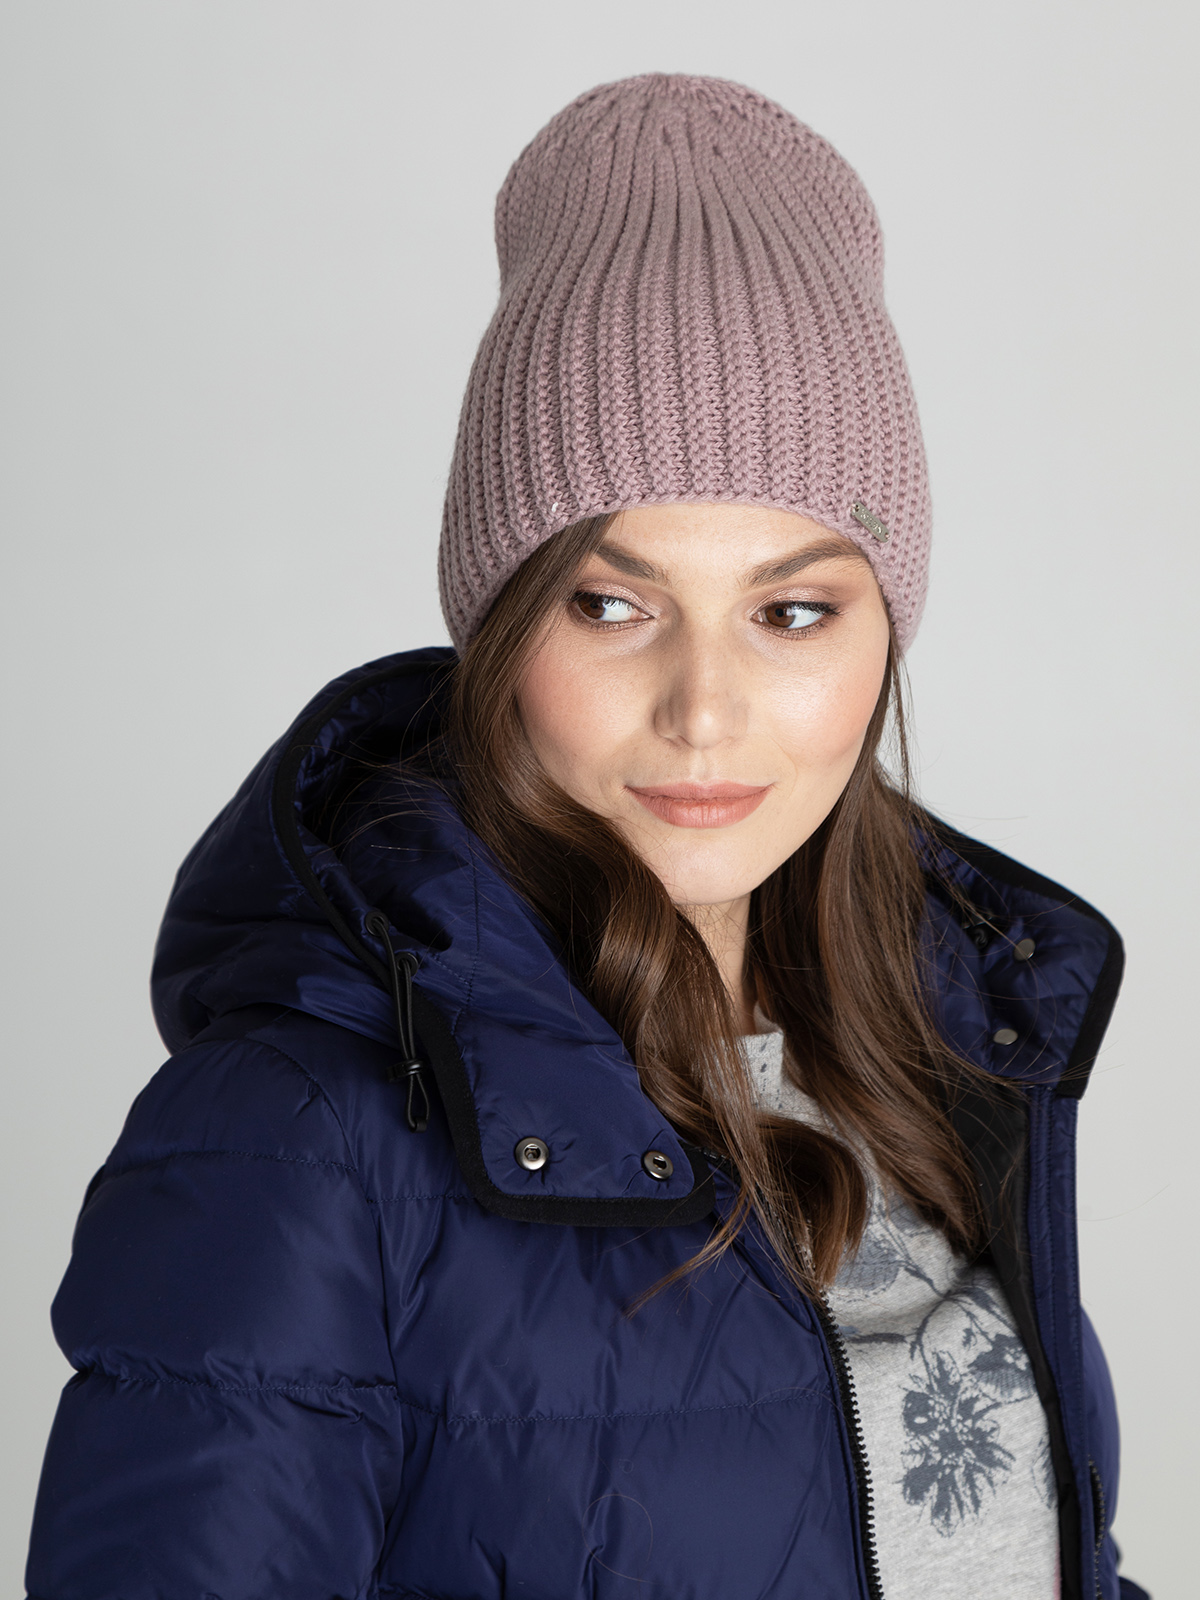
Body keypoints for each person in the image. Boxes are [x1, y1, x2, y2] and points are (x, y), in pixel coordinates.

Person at [26, 74, 1147, 1600]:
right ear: (500, 631)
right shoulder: (300, 1137)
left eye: (792, 611)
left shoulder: (942, 1059)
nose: (704, 710)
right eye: (612, 605)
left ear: (886, 637)